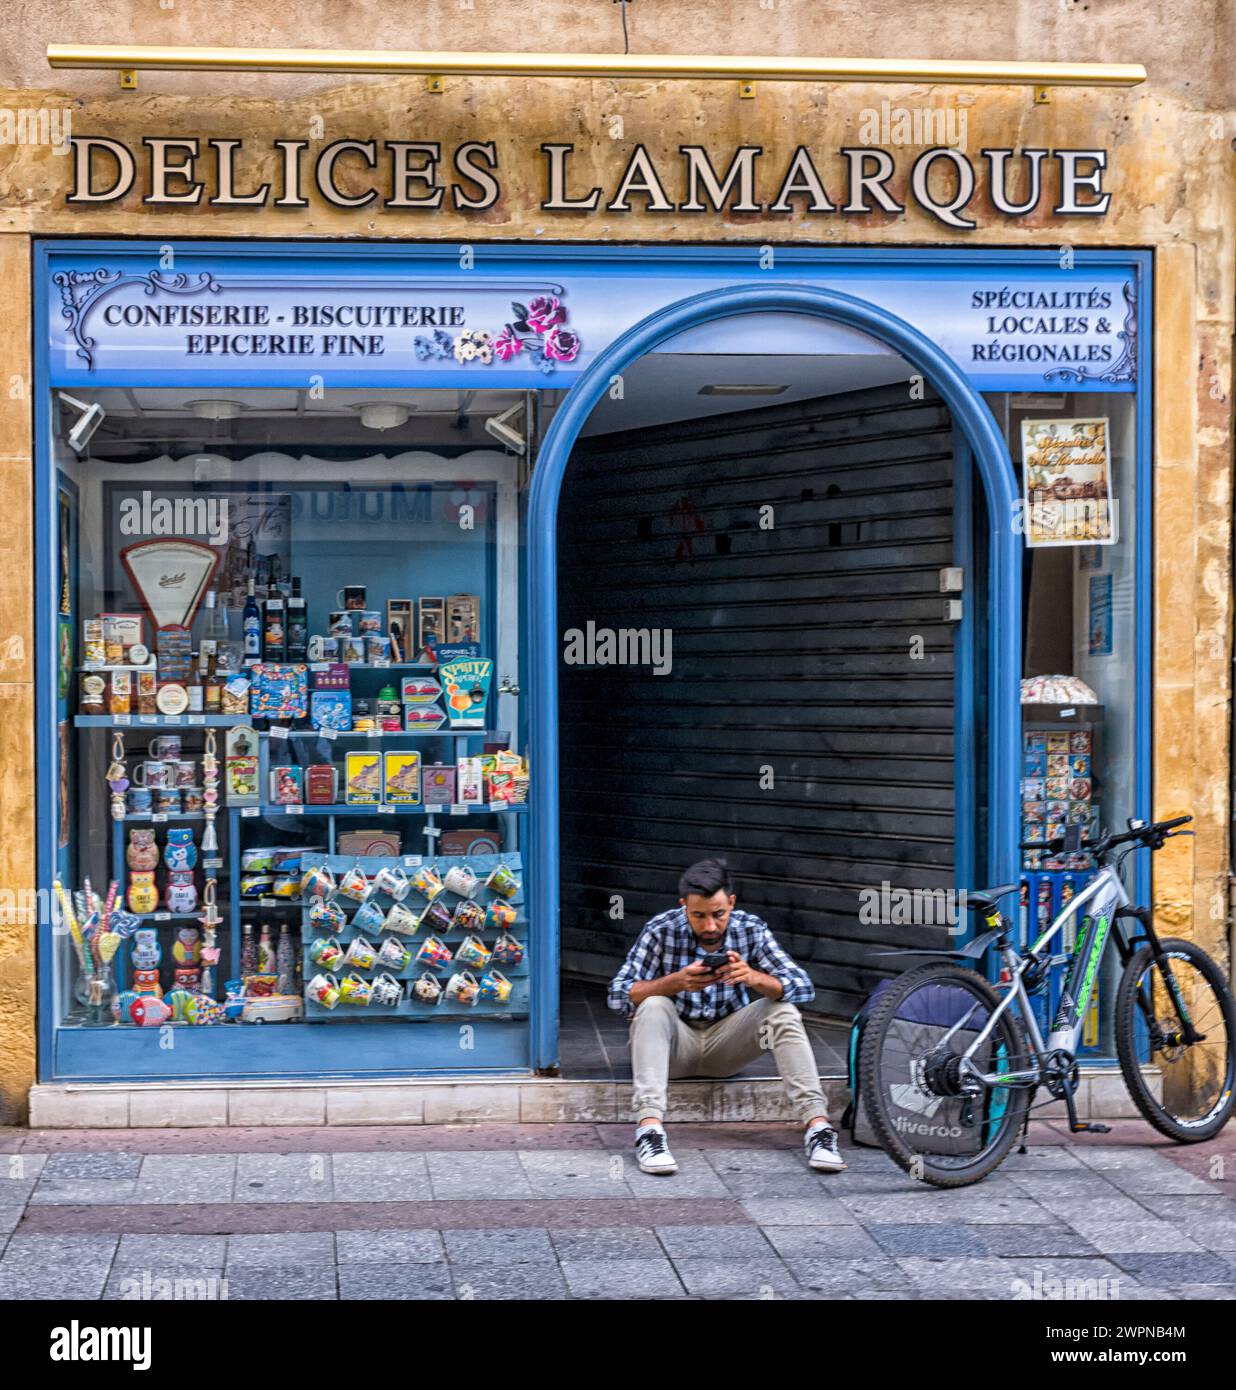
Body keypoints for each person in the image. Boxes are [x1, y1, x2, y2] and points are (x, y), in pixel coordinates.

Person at [609, 857, 846, 1176]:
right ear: (683, 906)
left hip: (727, 1047)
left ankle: (818, 1129)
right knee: (652, 1004)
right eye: (698, 916)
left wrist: (753, 978)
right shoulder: (660, 929)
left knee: (783, 1010)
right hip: (673, 1051)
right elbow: (617, 994)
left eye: (718, 914)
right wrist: (674, 983)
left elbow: (804, 986)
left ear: (731, 903)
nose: (709, 926)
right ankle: (650, 1131)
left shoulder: (751, 928)